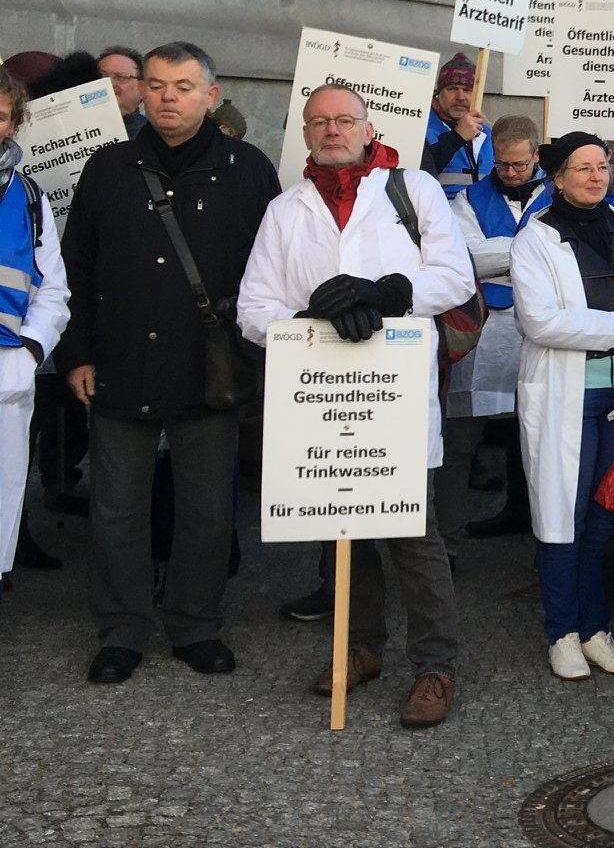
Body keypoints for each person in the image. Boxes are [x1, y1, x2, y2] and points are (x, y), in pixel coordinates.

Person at [237, 83, 475, 728]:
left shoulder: (412, 191)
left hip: (391, 394)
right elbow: (252, 310)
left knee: (411, 530)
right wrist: (311, 317)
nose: (333, 130)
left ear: (369, 129)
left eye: (345, 120)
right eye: (320, 122)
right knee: (346, 527)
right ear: (306, 134)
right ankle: (362, 647)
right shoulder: (285, 211)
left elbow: (456, 277)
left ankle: (435, 664)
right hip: (318, 394)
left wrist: (389, 292)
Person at [57, 42, 278, 684]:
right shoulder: (108, 167)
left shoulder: (249, 169)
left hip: (207, 370)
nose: (167, 98)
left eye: (183, 86)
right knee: (116, 508)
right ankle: (122, 628)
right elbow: (76, 266)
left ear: (211, 95)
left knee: (207, 509)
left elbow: (273, 268)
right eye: (155, 85)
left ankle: (195, 624)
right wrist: (78, 355)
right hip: (119, 365)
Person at [511, 132, 614, 681]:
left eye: (603, 166)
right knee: (561, 518)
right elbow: (542, 321)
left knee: (604, 516)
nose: (597, 176)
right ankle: (562, 632)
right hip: (563, 396)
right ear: (557, 177)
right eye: (583, 169)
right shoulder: (535, 238)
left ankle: (597, 627)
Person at [440, 115, 546, 551]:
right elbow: (463, 257)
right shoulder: (467, 198)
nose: (510, 173)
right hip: (484, 334)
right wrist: (533, 251)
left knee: (537, 434)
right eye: (502, 165)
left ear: (537, 156)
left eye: (520, 165)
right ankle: (444, 536)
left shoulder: (561, 195)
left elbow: (568, 256)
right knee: (461, 438)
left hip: (539, 333)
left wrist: (499, 255)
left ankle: (537, 526)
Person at [0, 68, 69, 600]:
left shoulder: (28, 196)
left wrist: (29, 350)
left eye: (1, 115)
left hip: (6, 372)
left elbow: (52, 289)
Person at [421, 53, 491, 192]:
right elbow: (413, 172)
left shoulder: (490, 135)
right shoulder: (421, 129)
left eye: (467, 90)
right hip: (438, 211)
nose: (460, 97)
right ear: (438, 93)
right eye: (452, 89)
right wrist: (456, 138)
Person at [97, 45, 146, 136]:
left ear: (141, 89)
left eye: (121, 77)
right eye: (101, 76)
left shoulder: (155, 135)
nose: (109, 84)